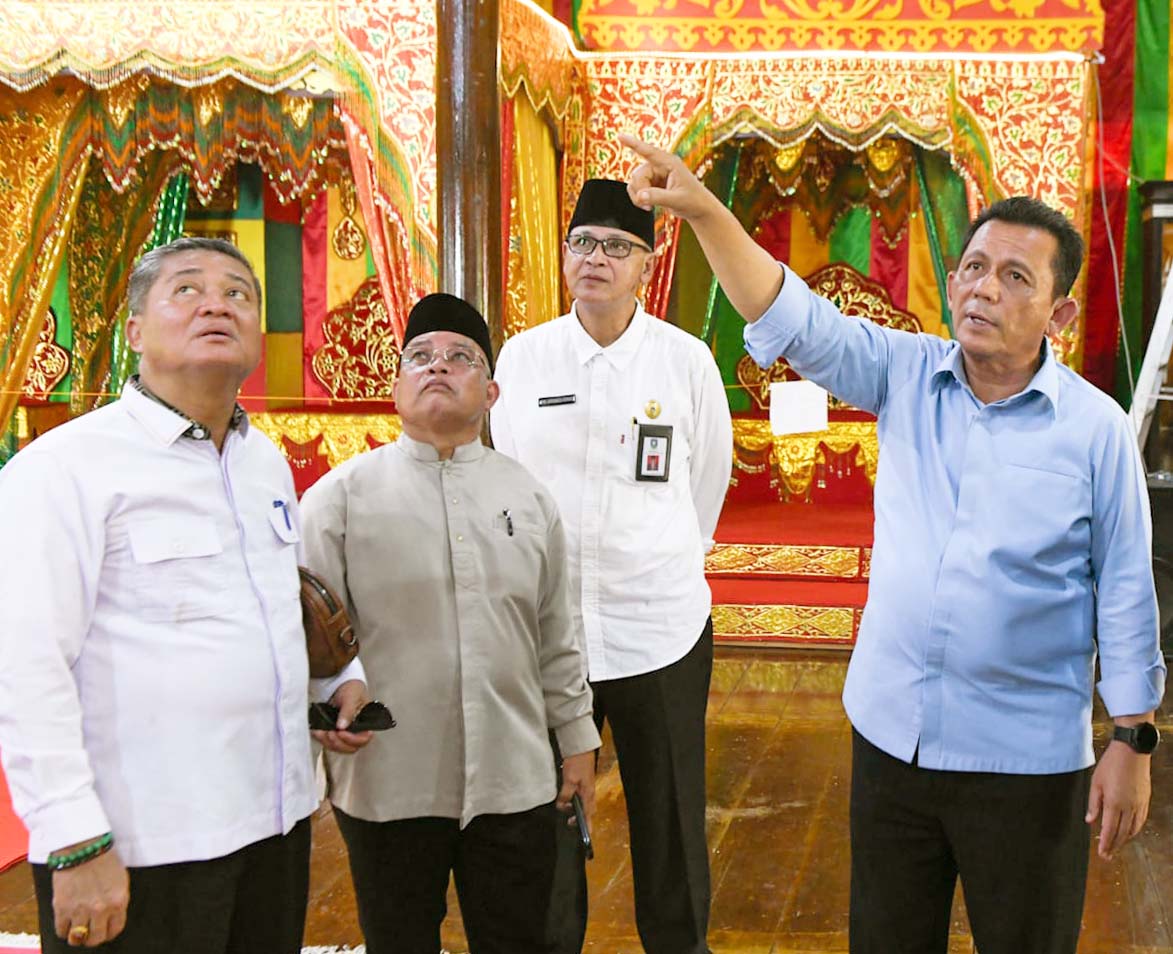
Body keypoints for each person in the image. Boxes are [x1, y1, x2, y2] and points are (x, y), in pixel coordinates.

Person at [619, 135, 1167, 954]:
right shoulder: (904, 373)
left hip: (1023, 760)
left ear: (1057, 314)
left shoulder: (1094, 430)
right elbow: (787, 312)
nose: (983, 287)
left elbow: (1123, 589)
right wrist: (702, 210)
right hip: (892, 740)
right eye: (973, 267)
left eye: (1015, 276)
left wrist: (1131, 738)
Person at [0, 236, 371, 953]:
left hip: (274, 825)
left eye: (237, 294)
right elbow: (24, 663)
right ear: (135, 331)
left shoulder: (263, 462)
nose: (216, 305)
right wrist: (75, 840)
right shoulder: (65, 469)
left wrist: (334, 682)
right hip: (143, 844)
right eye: (187, 290)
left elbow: (275, 605)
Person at [299, 292, 600, 954]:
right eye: (420, 356)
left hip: (512, 779)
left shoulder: (529, 498)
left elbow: (556, 635)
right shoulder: (337, 501)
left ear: (490, 393)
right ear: (396, 388)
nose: (438, 365)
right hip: (388, 781)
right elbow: (312, 646)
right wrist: (320, 728)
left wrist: (577, 739)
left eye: (461, 357)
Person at [491, 179, 733, 954]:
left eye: (617, 247)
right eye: (582, 243)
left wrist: (655, 558)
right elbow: (505, 477)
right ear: (564, 255)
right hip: (548, 633)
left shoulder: (685, 362)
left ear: (646, 264)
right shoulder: (523, 359)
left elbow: (707, 483)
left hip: (657, 627)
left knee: (669, 817)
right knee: (546, 813)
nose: (596, 258)